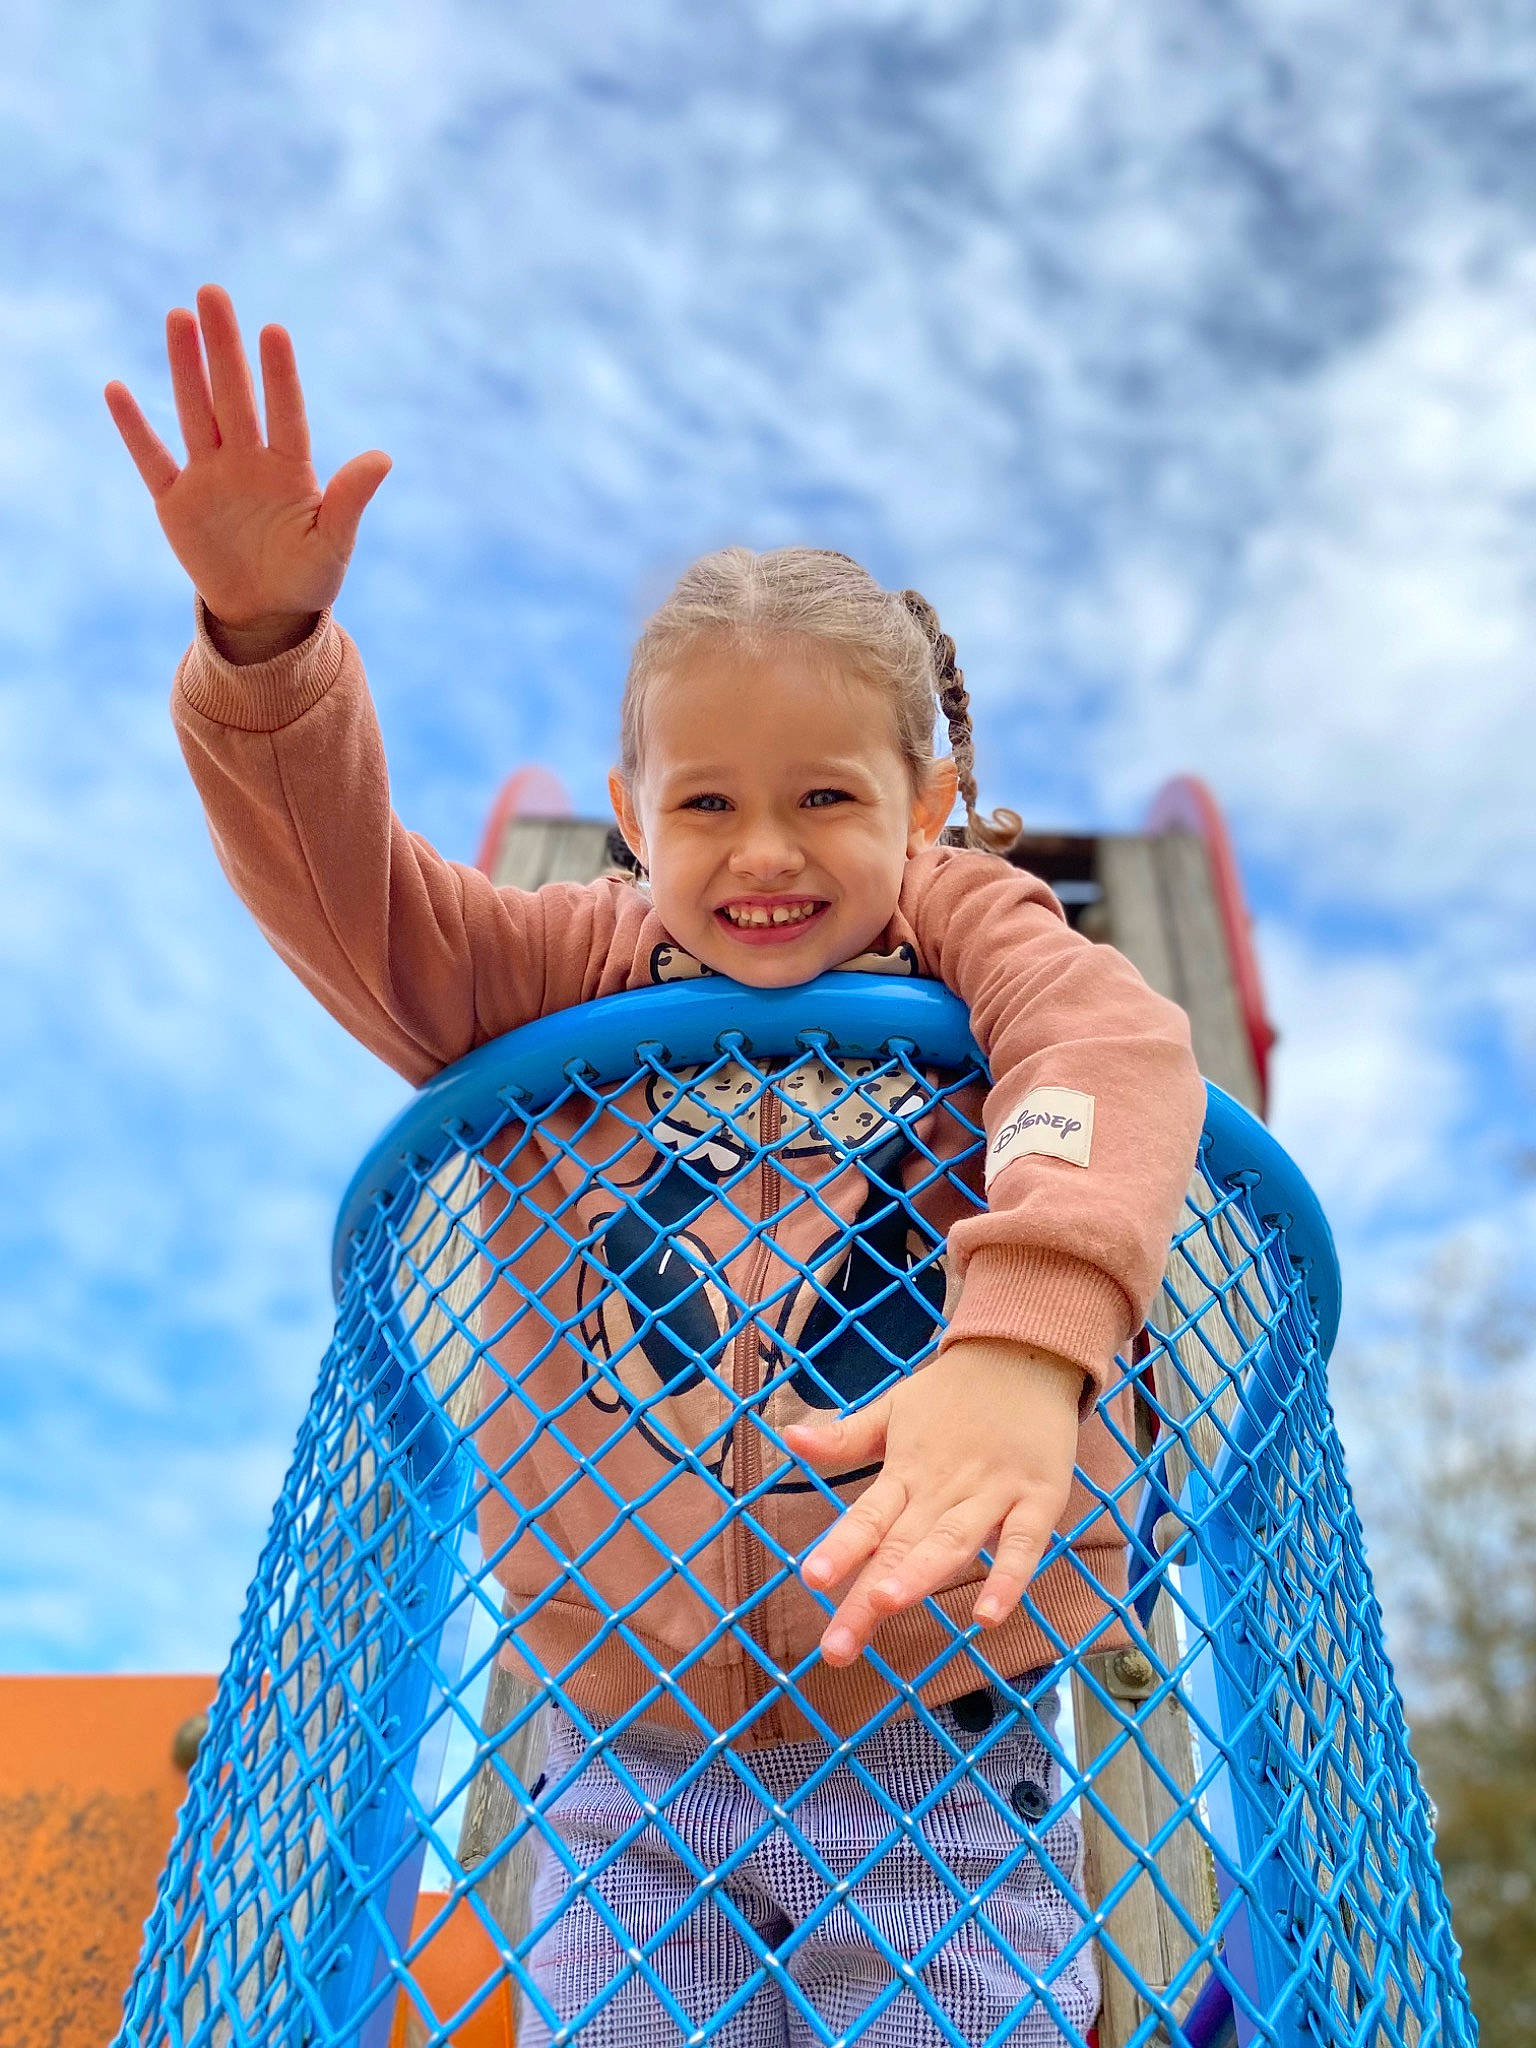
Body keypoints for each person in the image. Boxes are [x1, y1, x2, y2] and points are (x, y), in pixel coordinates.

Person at [105, 285, 1205, 2048]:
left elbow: (1115, 1053)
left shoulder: (971, 935)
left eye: (827, 799)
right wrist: (263, 641)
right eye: (706, 803)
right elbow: (355, 911)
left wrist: (1023, 1342)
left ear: (920, 805)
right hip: (627, 1752)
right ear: (629, 807)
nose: (763, 852)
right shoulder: (569, 971)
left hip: (950, 1731)